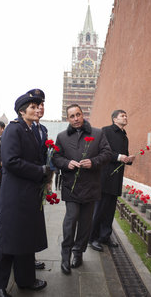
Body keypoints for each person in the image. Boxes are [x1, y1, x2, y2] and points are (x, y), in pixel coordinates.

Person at [0, 93, 50, 297]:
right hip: (15, 195)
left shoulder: (30, 129)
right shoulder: (14, 128)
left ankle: (25, 279)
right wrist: (40, 171)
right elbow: (11, 161)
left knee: (26, 238)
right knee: (10, 239)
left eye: (37, 106)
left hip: (28, 193)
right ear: (22, 111)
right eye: (32, 107)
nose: (36, 109)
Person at [53, 104, 111, 275]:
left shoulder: (98, 133)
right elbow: (56, 156)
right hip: (71, 186)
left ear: (82, 114)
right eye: (72, 116)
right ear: (68, 119)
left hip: (91, 186)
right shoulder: (62, 137)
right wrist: (66, 163)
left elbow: (107, 154)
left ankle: (78, 252)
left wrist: (93, 162)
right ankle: (65, 255)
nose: (76, 118)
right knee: (71, 220)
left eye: (78, 114)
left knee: (86, 223)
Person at [89, 110, 135, 252]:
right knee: (99, 209)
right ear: (114, 119)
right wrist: (119, 157)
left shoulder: (124, 137)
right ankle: (92, 238)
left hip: (116, 178)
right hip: (104, 176)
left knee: (110, 211)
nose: (125, 117)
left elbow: (124, 155)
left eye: (126, 115)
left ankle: (105, 236)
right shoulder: (106, 131)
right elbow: (102, 151)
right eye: (122, 116)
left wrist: (128, 159)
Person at [26, 88, 48, 270]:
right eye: (34, 105)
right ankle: (24, 260)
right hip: (25, 182)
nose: (39, 108)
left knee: (34, 224)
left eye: (41, 104)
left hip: (38, 182)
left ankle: (29, 258)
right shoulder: (21, 127)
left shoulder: (43, 129)